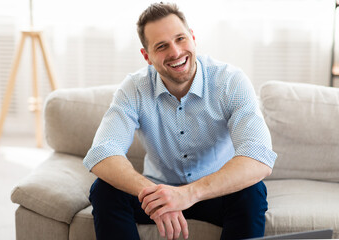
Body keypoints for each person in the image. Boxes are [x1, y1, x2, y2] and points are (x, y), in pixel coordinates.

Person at [83, 2, 277, 240]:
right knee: (104, 190)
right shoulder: (134, 88)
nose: (175, 52)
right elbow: (103, 152)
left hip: (215, 192)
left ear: (193, 38)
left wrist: (189, 194)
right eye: (162, 46)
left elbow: (258, 156)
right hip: (158, 191)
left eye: (180, 39)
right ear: (147, 56)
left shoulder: (230, 82)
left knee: (252, 191)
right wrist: (155, 195)